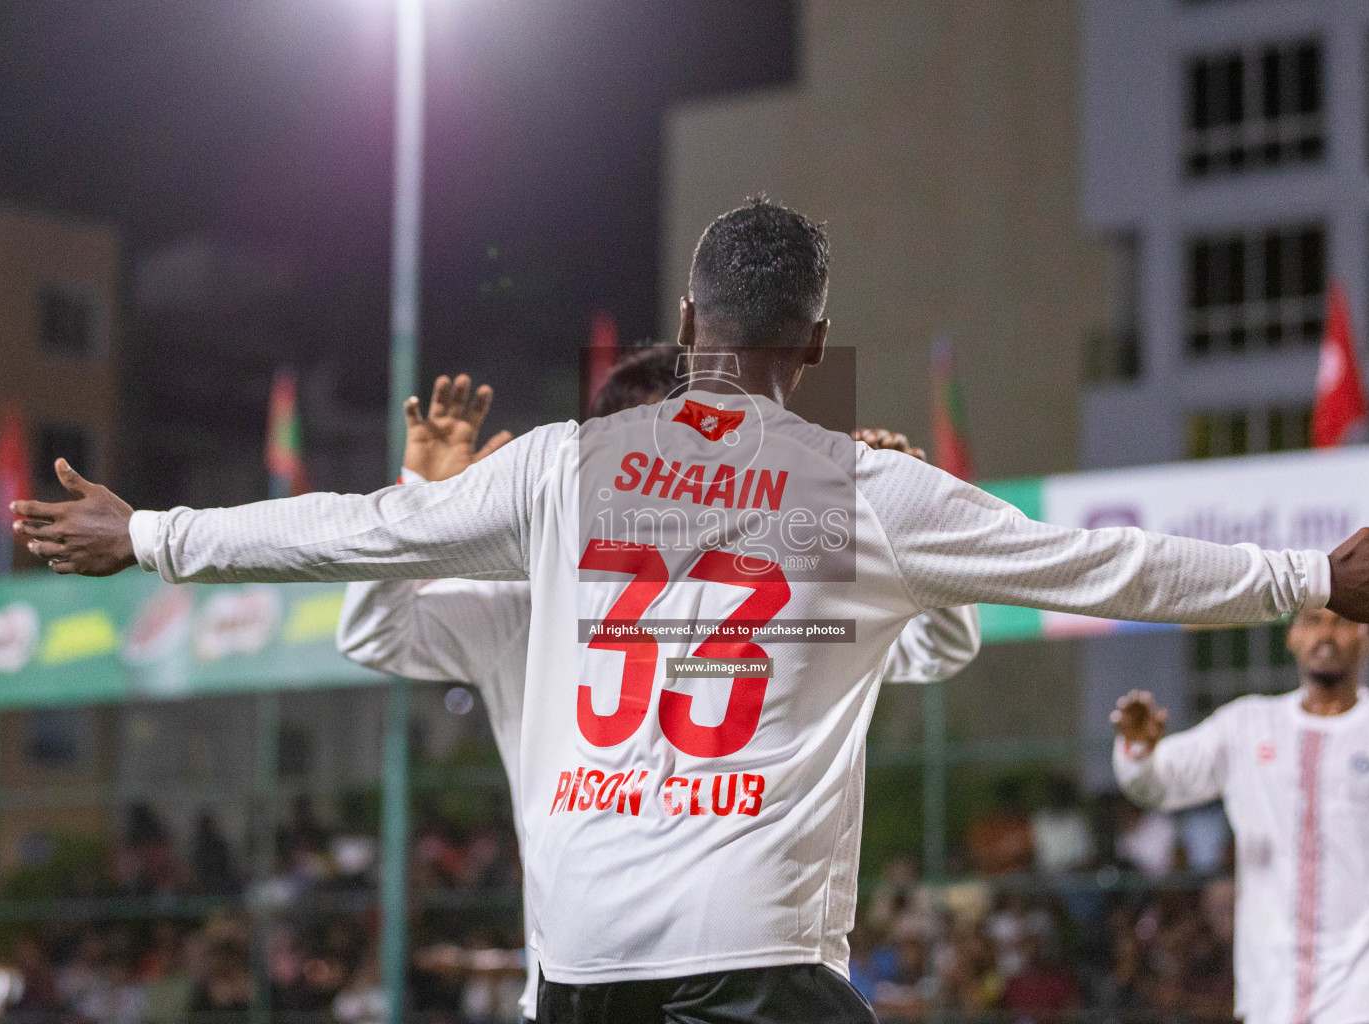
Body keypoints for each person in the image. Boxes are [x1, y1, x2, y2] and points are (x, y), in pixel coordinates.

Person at [14, 197, 1369, 1024]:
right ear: (815, 345)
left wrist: (147, 530)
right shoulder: (860, 489)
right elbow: (1107, 567)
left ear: (692, 325)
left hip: (577, 965)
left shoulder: (564, 469)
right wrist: (1309, 576)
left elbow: (356, 537)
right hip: (753, 952)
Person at [338, 348, 982, 1021]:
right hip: (583, 981)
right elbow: (375, 633)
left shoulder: (771, 588)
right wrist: (419, 497)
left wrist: (907, 520)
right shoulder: (528, 602)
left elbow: (938, 646)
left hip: (734, 974)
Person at [1111, 606, 1369, 1024]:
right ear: (1290, 636)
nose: (1326, 633)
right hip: (1273, 992)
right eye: (1311, 620)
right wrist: (1140, 750)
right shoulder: (1247, 725)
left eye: (1344, 621)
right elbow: (1157, 785)